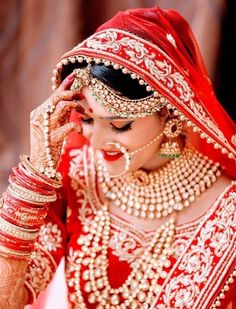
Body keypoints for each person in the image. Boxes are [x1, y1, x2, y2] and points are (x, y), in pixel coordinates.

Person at [0, 6, 235, 309]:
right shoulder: (76, 174)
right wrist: (33, 181)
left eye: (119, 125)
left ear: (170, 113)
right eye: (86, 119)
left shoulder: (228, 213)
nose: (96, 141)